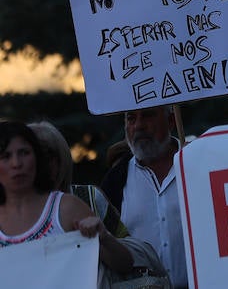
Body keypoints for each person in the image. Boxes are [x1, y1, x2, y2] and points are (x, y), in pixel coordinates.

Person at [26, 121, 165, 281]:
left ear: (61, 158)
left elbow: (128, 252)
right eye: (32, 155)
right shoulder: (9, 212)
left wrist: (103, 239)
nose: (40, 163)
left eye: (47, 154)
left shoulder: (88, 197)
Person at [0, 121, 134, 275]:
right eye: (5, 156)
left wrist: (104, 238)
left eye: (24, 152)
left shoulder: (68, 208)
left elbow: (125, 265)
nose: (16, 163)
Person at [99, 106, 188, 288]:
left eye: (148, 115)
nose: (138, 126)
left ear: (171, 121)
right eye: (131, 118)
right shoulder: (114, 181)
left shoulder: (199, 165)